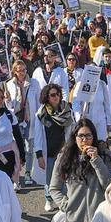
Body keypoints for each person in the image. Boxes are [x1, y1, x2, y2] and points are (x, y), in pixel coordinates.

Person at [35, 83, 73, 211]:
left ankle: (63, 202)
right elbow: (38, 135)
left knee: (64, 176)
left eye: (57, 94)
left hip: (63, 150)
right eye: (52, 95)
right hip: (49, 151)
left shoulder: (66, 110)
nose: (56, 97)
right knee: (49, 179)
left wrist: (69, 147)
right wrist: (39, 155)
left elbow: (70, 131)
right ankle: (48, 199)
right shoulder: (41, 113)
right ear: (47, 97)